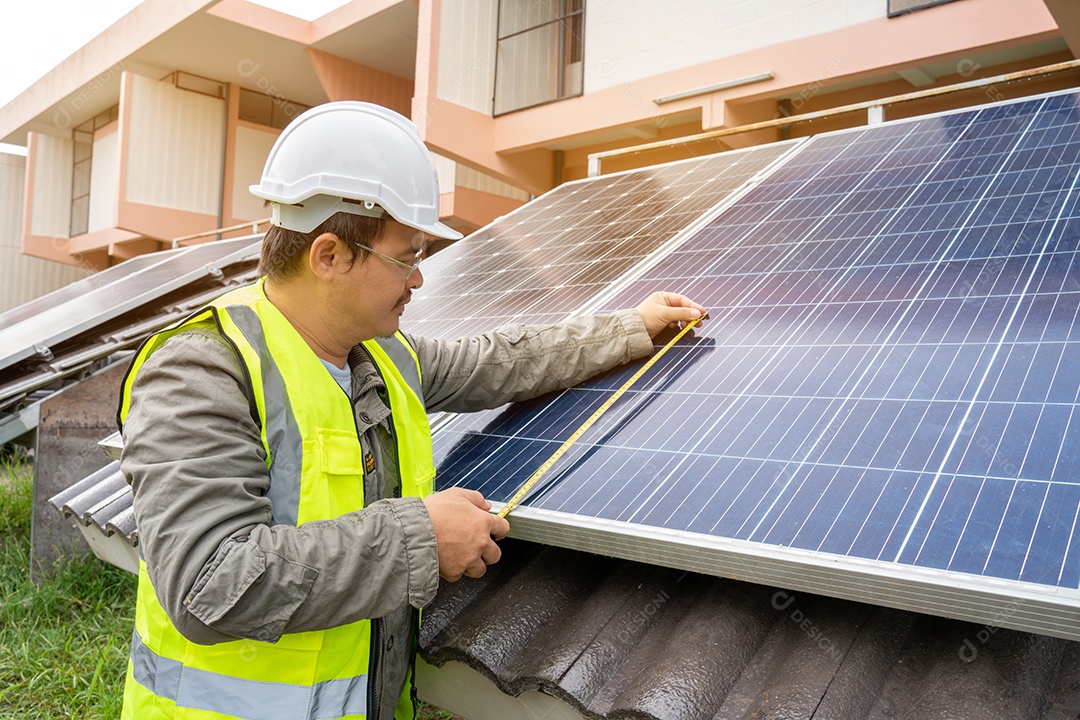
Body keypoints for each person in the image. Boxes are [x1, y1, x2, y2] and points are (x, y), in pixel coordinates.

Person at [117, 101, 705, 720]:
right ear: (329, 256)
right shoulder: (204, 370)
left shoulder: (381, 356)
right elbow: (209, 584)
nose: (419, 279)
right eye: (407, 257)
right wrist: (420, 539)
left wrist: (630, 330)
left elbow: (496, 361)